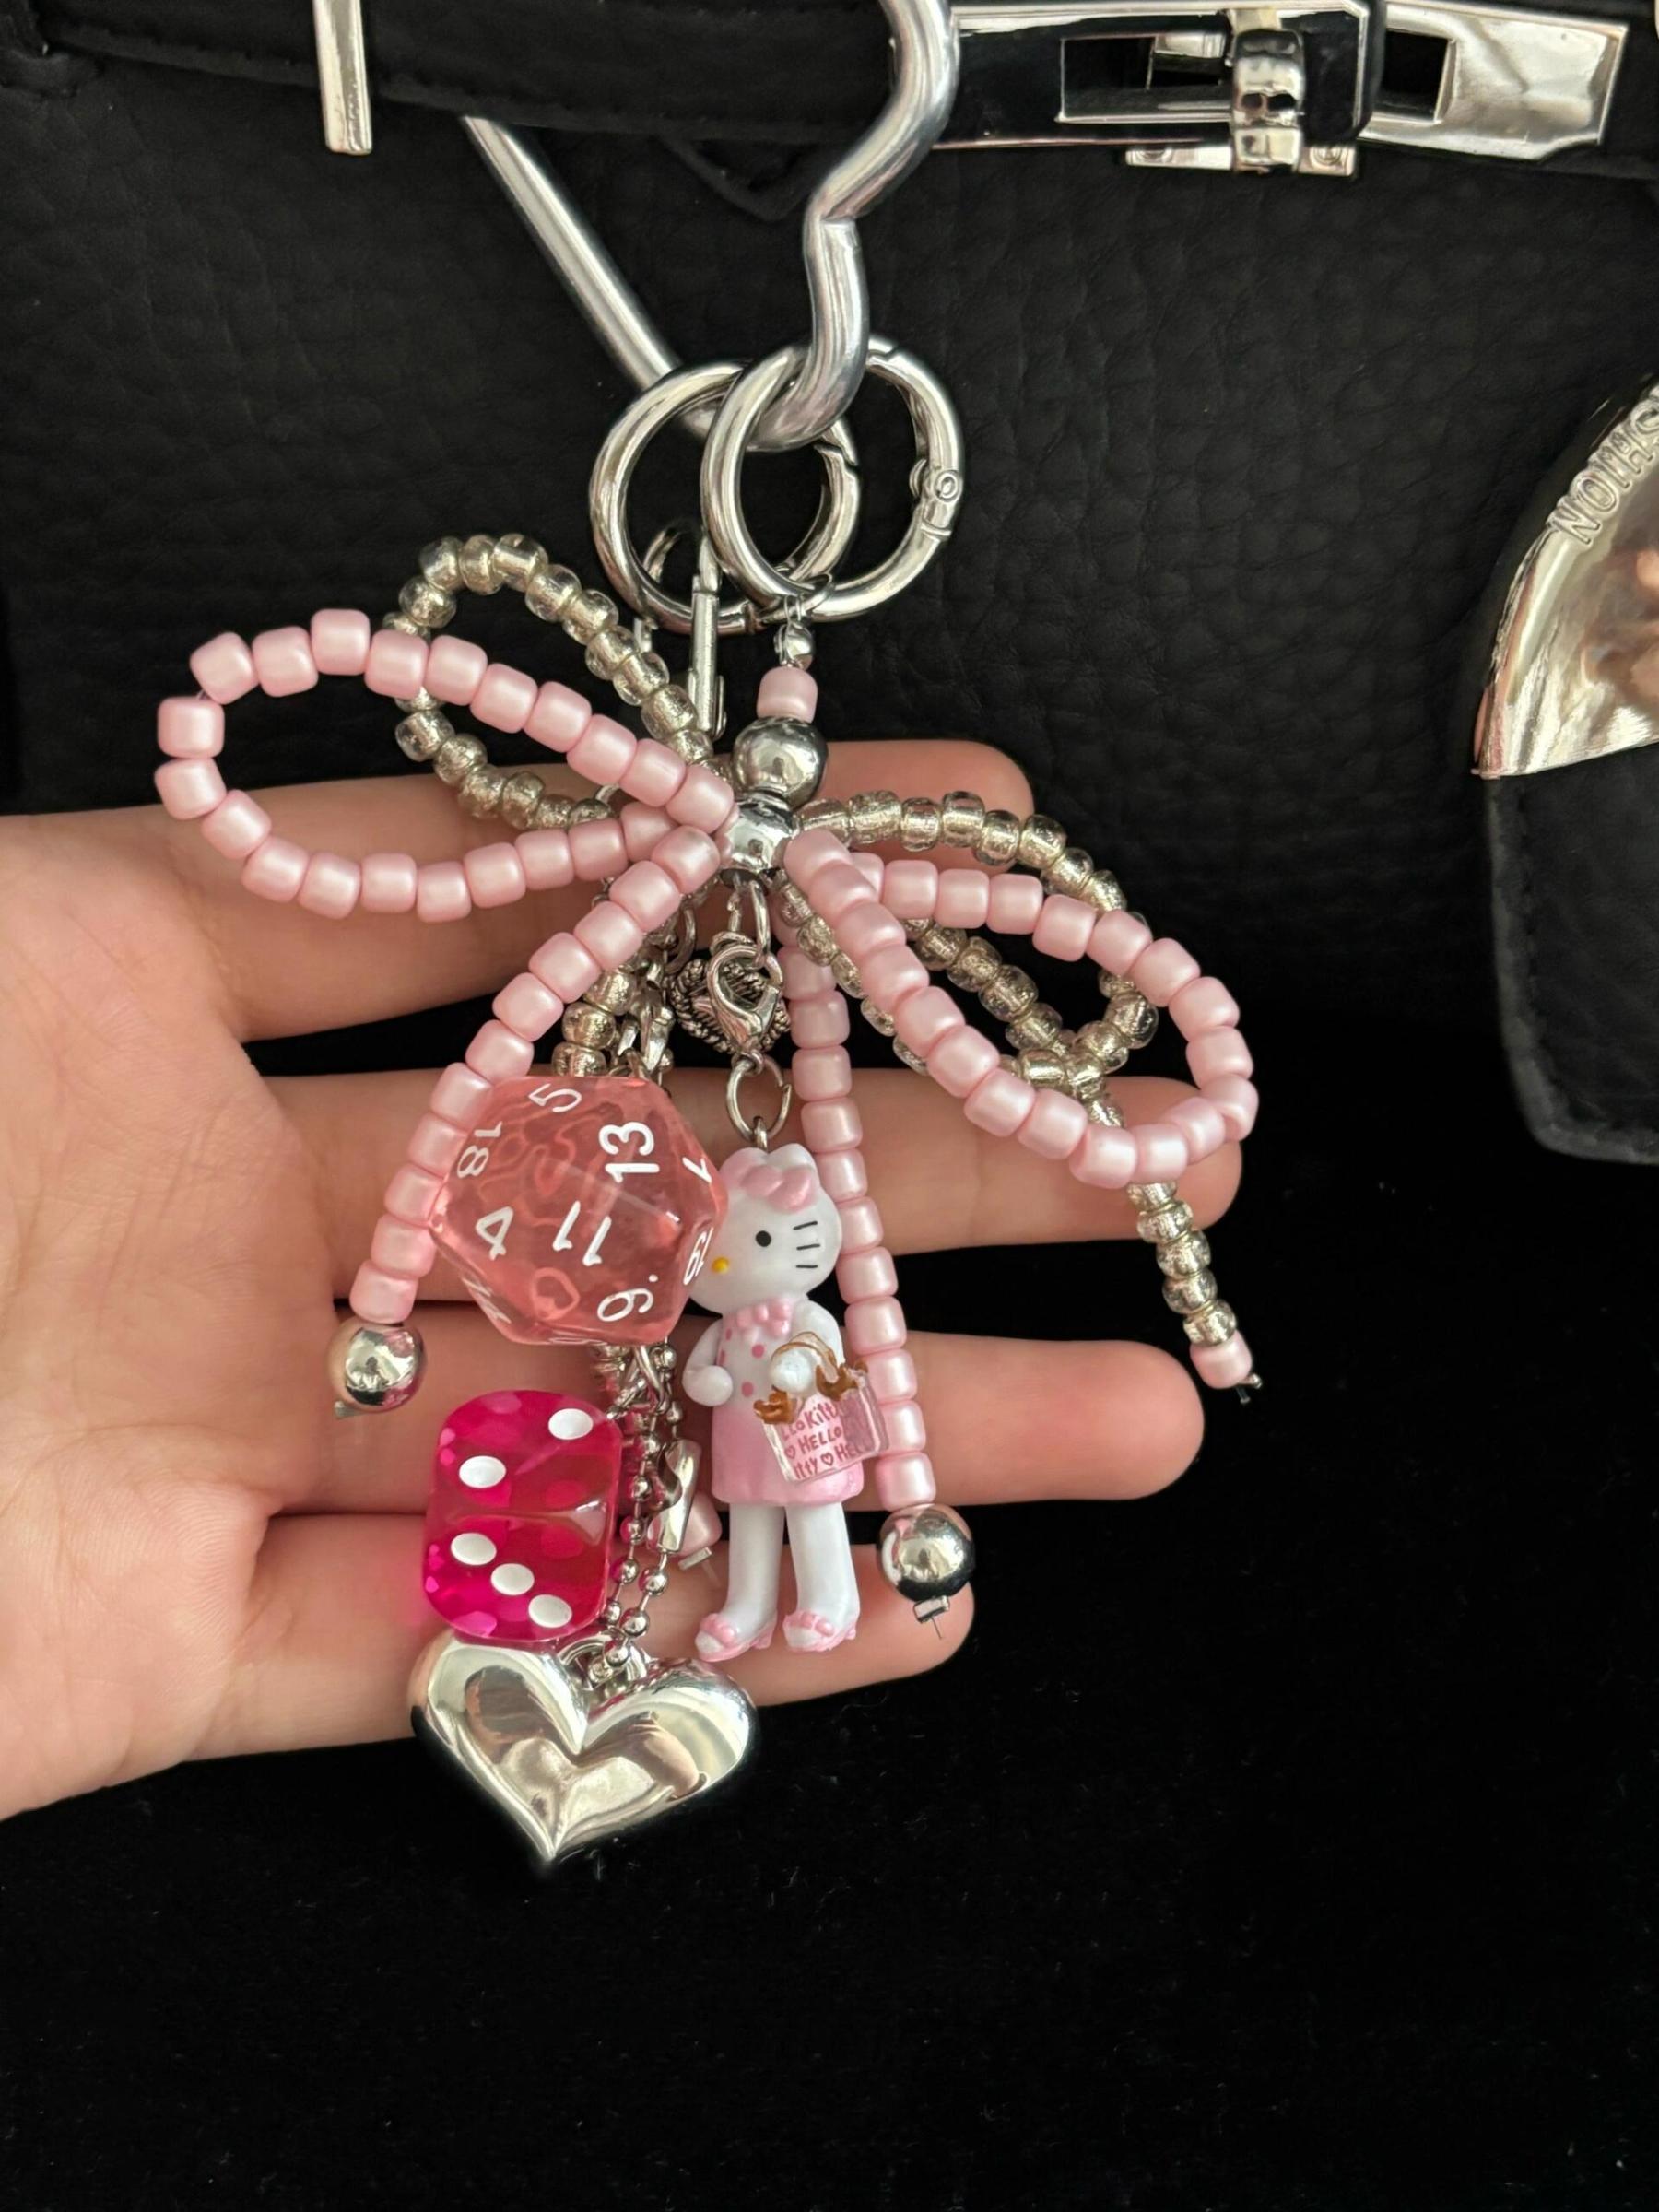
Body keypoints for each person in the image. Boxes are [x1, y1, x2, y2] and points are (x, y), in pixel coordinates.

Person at [0, 737, 1234, 1820]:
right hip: (743, 1440)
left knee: (808, 1526)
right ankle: (745, 1610)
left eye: (768, 1250)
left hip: (799, 1445)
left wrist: (821, 1406)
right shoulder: (705, 1292)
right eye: (732, 1251)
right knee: (752, 1531)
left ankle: (799, 1601)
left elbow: (828, 1367)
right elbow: (702, 1368)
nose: (742, 1265)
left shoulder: (792, 1294)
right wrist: (717, 1375)